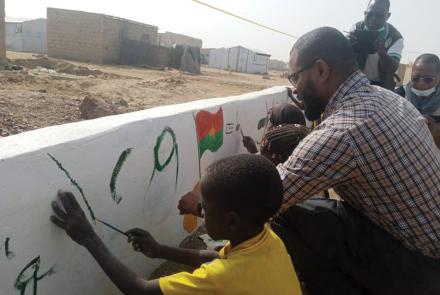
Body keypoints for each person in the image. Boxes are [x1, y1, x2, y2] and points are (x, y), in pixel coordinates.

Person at [180, 27, 440, 295]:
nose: (295, 89)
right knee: (309, 207)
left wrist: (201, 206)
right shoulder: (390, 99)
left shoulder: (345, 131)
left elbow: (268, 199)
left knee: (281, 212)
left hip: (420, 269)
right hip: (422, 245)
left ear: (320, 70)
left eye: (295, 77)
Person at [50, 154, 302, 295]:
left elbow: (140, 291)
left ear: (231, 221)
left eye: (206, 207)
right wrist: (160, 250)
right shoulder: (268, 240)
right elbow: (214, 258)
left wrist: (89, 239)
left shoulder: (222, 280)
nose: (200, 209)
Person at [348, 0, 403, 90]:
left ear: (388, 16)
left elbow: (392, 67)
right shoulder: (356, 28)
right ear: (365, 13)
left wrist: (381, 52)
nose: (373, 19)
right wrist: (349, 46)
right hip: (357, 82)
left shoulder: (395, 37)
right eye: (370, 14)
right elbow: (343, 57)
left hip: (382, 86)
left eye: (379, 16)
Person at [396, 54, 440, 148]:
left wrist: (435, 130)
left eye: (428, 79)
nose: (421, 84)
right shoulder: (399, 95)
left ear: (438, 77)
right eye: (415, 78)